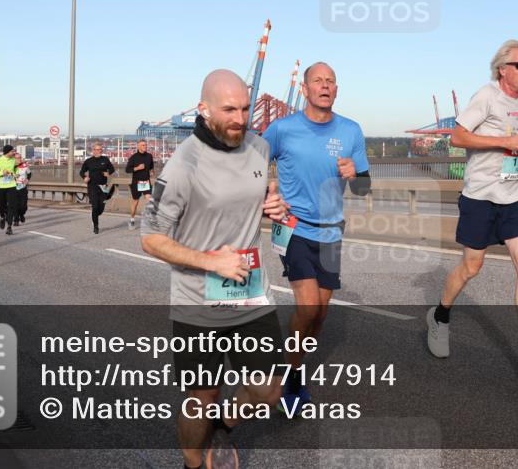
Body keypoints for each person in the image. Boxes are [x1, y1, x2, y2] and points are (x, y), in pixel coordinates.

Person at [141, 69, 289, 469]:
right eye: (229, 110)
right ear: (204, 109)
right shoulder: (183, 164)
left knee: (269, 391)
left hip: (249, 293)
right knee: (199, 401)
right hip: (197, 302)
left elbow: (257, 191)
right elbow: (150, 237)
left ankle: (226, 422)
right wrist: (211, 260)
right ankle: (191, 461)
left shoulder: (259, 147)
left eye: (244, 108)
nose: (240, 118)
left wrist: (271, 204)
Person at [426, 39, 518, 379]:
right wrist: (504, 142)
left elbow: (514, 139)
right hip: (480, 196)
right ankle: (440, 316)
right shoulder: (486, 95)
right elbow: (457, 138)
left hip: (515, 194)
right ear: (502, 69)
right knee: (472, 267)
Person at [261, 61, 371, 414]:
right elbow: (250, 164)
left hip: (331, 231)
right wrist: (266, 195)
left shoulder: (351, 131)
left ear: (336, 90)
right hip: (293, 227)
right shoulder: (282, 129)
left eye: (331, 81)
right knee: (307, 305)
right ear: (304, 89)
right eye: (317, 81)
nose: (324, 86)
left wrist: (357, 174)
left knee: (320, 313)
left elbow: (365, 187)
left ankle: (294, 361)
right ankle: (290, 377)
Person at [80, 142, 115, 234]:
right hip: (92, 186)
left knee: (101, 209)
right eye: (97, 149)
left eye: (100, 149)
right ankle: (96, 226)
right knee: (95, 207)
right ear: (93, 150)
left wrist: (108, 173)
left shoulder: (105, 159)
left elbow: (112, 169)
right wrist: (85, 177)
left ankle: (94, 216)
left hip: (103, 187)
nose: (98, 151)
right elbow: (82, 171)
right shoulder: (88, 161)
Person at [125, 139, 155, 230]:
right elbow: (127, 170)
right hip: (136, 183)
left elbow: (151, 167)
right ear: (138, 147)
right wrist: (137, 168)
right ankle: (132, 220)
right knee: (135, 202)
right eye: (142, 145)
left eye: (145, 145)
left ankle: (150, 221)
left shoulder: (149, 156)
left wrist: (152, 172)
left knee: (150, 200)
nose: (144, 147)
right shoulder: (133, 157)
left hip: (146, 182)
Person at [0, 145, 19, 235]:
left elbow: (16, 169)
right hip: (1, 186)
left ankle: (9, 227)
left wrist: (15, 174)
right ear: (7, 152)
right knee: (2, 205)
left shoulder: (14, 160)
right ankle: (2, 217)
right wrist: (1, 173)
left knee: (11, 206)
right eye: (12, 151)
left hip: (11, 185)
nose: (14, 153)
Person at [13, 152, 32, 225]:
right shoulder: (12, 166)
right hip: (14, 188)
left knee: (23, 206)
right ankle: (16, 220)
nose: (19, 159)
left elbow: (29, 174)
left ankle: (21, 214)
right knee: (15, 205)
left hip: (23, 188)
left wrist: (27, 180)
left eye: (20, 157)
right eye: (17, 158)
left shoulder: (25, 166)